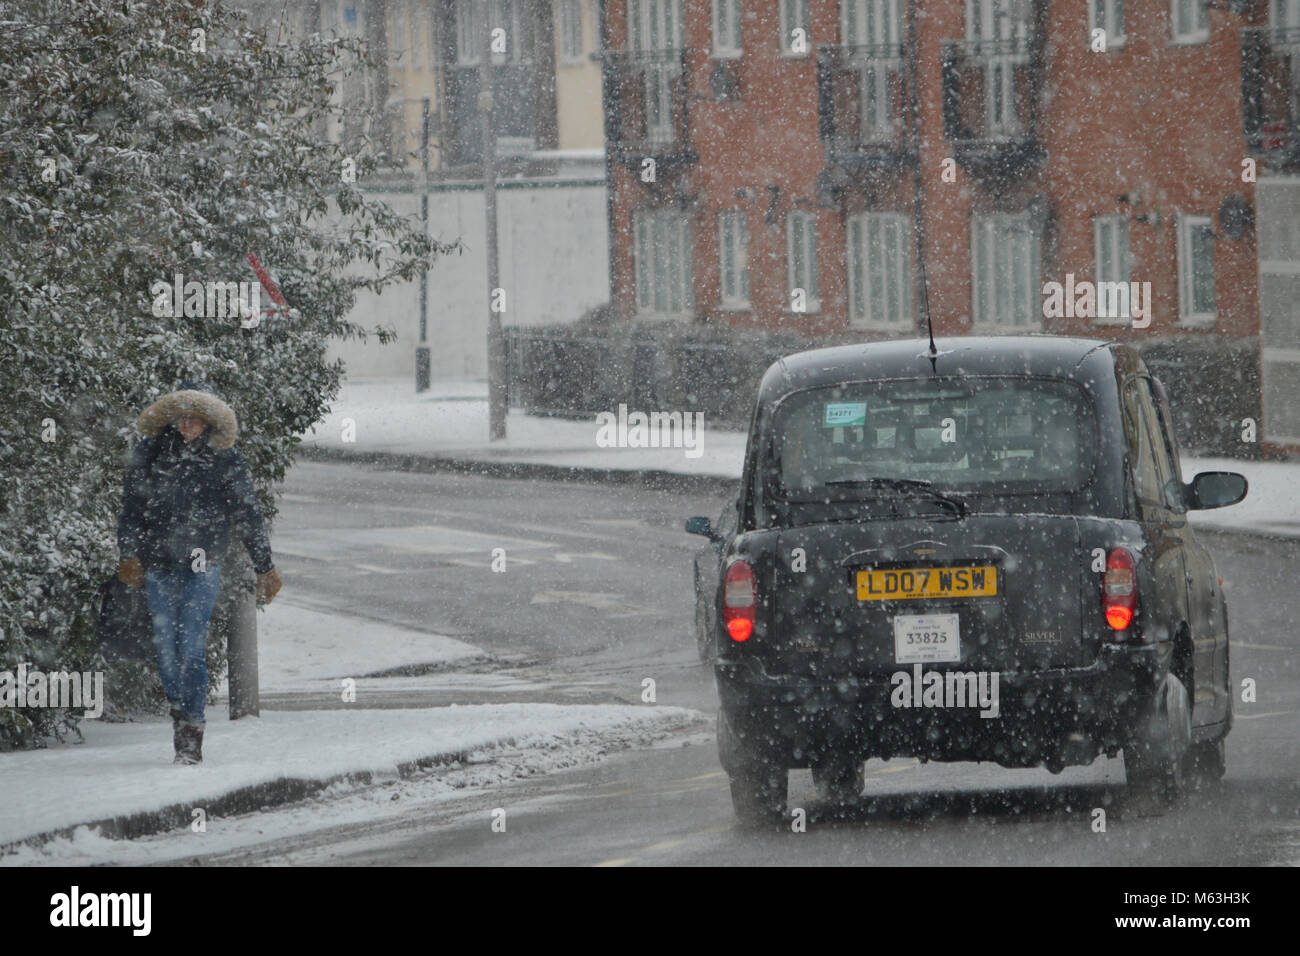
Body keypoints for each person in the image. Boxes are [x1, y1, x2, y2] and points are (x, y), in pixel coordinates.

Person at [116, 382, 282, 764]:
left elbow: (248, 514)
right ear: (172, 419)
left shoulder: (225, 458)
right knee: (166, 652)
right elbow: (132, 509)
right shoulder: (152, 454)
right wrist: (129, 554)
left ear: (208, 422)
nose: (187, 424)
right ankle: (179, 705)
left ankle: (191, 733)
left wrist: (265, 566)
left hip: (200, 561)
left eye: (195, 418)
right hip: (159, 562)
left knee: (191, 646)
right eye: (182, 417)